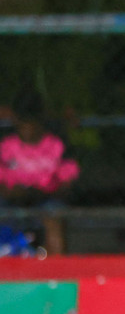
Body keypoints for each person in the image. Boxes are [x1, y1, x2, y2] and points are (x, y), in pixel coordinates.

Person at [0, 108, 79, 257]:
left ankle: (55, 270)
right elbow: (3, 186)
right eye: (23, 123)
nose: (27, 128)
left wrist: (43, 191)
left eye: (31, 123)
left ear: (39, 124)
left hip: (46, 199)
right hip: (12, 200)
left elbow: (66, 184)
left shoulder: (56, 144)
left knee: (54, 214)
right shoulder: (6, 145)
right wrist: (17, 193)